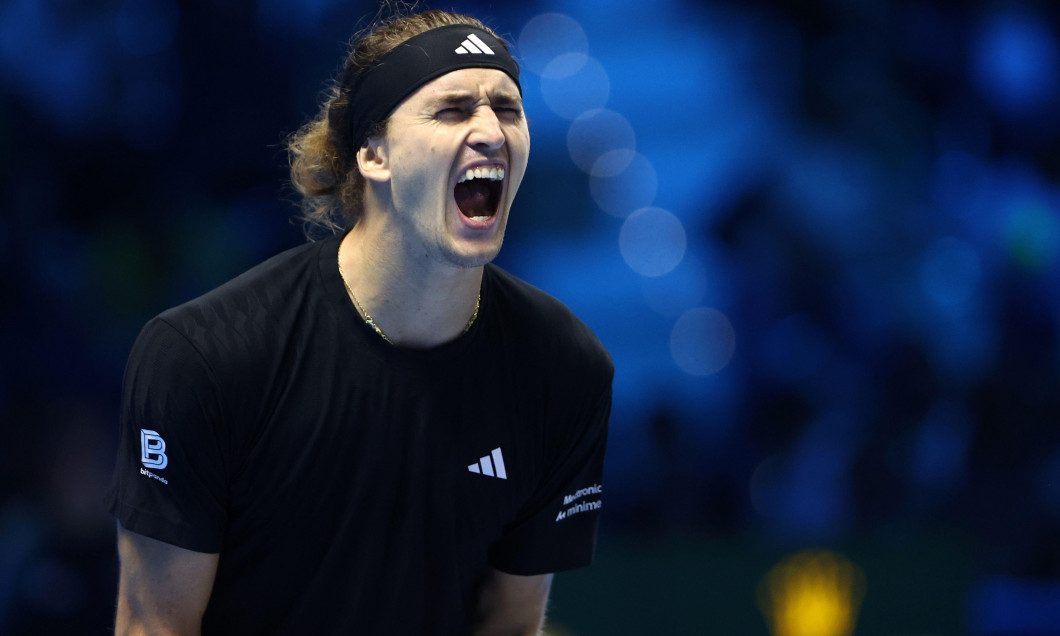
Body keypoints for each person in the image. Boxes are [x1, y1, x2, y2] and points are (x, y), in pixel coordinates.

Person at [106, 7, 613, 635]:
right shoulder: (204, 355)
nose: (492, 131)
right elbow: (155, 626)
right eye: (453, 109)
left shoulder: (564, 366)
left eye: (508, 109)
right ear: (373, 154)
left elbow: (508, 627)